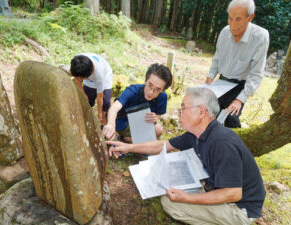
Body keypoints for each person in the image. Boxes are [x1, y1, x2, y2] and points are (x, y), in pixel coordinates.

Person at [107, 87, 265, 225]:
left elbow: (234, 193)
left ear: (202, 112)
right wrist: (129, 147)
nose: (179, 113)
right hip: (217, 188)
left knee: (170, 204)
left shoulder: (222, 143)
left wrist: (187, 198)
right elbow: (164, 145)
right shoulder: (195, 133)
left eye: (183, 109)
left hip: (240, 208)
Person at [206, 0, 269, 128]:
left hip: (239, 85)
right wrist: (209, 79)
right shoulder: (224, 32)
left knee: (231, 118)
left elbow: (256, 74)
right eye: (230, 18)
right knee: (208, 113)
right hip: (221, 82)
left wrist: (239, 100)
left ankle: (233, 145)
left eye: (238, 19)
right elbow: (217, 59)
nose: (233, 25)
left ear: (250, 18)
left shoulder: (260, 37)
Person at [103, 63, 172, 142]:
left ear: (163, 90)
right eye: (150, 85)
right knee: (146, 140)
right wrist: (111, 125)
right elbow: (115, 107)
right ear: (145, 81)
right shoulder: (133, 90)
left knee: (158, 130)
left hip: (140, 121)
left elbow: (157, 115)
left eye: (157, 89)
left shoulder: (162, 96)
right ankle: (125, 138)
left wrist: (155, 119)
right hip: (123, 122)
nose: (151, 92)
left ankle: (130, 140)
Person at [70, 53, 113, 124]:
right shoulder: (77, 63)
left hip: (105, 79)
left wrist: (99, 113)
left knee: (105, 104)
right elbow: (77, 79)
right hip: (88, 79)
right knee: (87, 101)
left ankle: (104, 121)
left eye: (82, 78)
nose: (80, 79)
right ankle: (87, 118)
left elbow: (100, 97)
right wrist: (84, 94)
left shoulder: (99, 74)